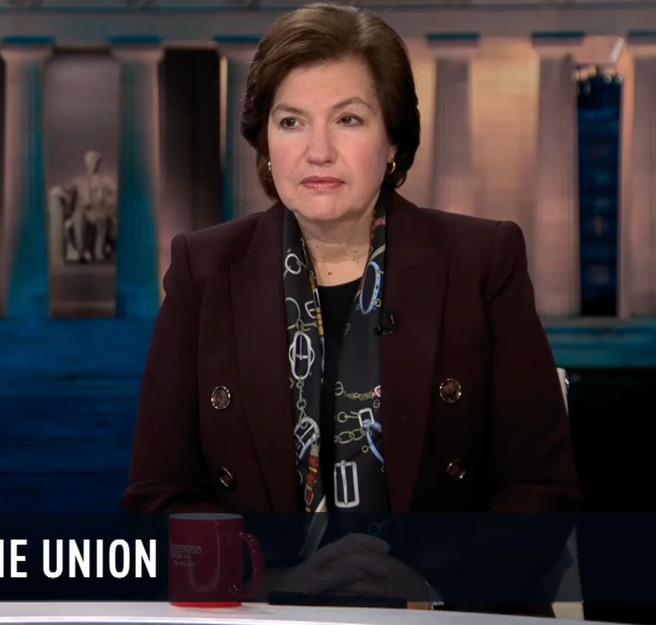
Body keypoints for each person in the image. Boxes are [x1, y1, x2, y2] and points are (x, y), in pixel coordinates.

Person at [122, 3, 579, 614]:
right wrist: (274, 581)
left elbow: (540, 491)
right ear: (265, 143)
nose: (319, 151)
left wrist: (421, 586)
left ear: (392, 141)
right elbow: (158, 496)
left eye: (349, 119)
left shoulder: (481, 261)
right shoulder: (203, 270)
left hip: (444, 613)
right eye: (291, 122)